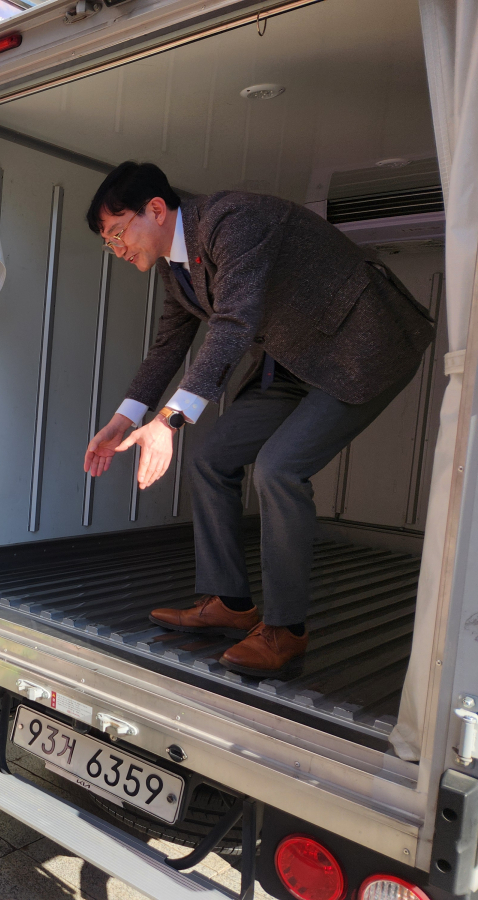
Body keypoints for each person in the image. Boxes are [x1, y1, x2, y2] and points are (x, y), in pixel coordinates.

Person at [83, 162, 435, 677]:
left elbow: (233, 324)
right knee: (210, 457)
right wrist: (124, 418)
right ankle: (229, 601)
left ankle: (285, 630)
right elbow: (169, 346)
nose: (117, 248)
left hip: (363, 348)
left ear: (155, 210)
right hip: (295, 360)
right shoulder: (174, 263)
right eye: (108, 241)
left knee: (278, 469)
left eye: (117, 233)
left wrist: (169, 421)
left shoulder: (234, 220)